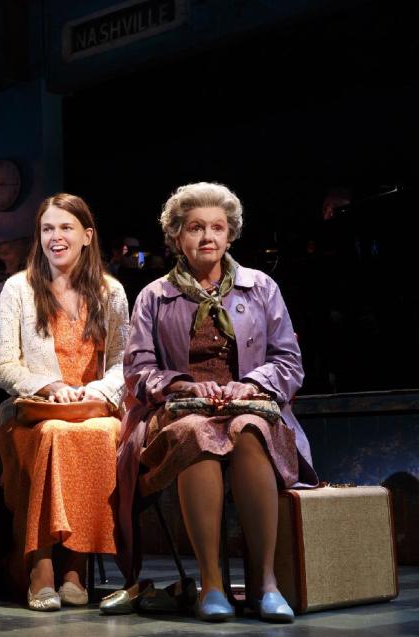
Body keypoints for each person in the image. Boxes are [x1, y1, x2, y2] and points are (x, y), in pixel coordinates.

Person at [115, 182, 318, 623]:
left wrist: (252, 385)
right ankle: (211, 584)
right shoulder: (153, 295)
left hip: (250, 407)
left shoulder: (260, 287)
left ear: (230, 235)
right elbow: (136, 369)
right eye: (195, 228)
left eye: (217, 227)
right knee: (197, 435)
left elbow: (288, 360)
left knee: (250, 430)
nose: (207, 236)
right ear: (177, 237)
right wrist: (181, 385)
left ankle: (266, 584)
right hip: (180, 412)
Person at [0, 193, 129, 611]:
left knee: (102, 433)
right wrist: (49, 385)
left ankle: (76, 561)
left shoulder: (112, 292)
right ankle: (44, 564)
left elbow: (127, 362)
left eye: (66, 227)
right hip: (36, 413)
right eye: (48, 228)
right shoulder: (19, 288)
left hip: (93, 409)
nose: (56, 236)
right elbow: (3, 365)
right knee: (55, 433)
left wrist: (98, 391)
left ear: (87, 236)